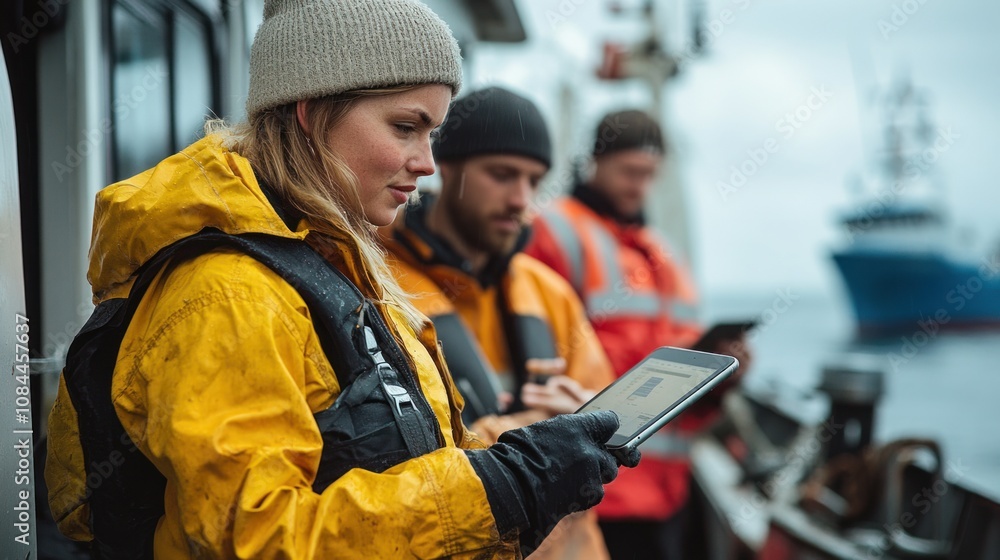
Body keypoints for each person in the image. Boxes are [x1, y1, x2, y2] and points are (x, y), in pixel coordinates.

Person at [44, 2, 638, 558]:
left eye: (432, 132)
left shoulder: (327, 267)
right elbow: (257, 537)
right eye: (406, 126)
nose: (428, 162)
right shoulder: (229, 293)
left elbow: (374, 460)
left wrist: (520, 462)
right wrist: (502, 487)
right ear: (311, 111)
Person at [382, 86, 615, 558]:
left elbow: (611, 431)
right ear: (444, 166)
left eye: (534, 180)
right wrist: (535, 440)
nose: (521, 199)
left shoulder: (550, 293)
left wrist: (594, 419)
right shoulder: (381, 288)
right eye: (502, 175)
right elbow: (389, 464)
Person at [525, 109, 751, 560]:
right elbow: (531, 353)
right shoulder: (554, 231)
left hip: (666, 491)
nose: (639, 185)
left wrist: (720, 374)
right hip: (596, 486)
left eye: (650, 175)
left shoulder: (661, 251)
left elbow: (682, 355)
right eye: (630, 171)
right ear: (595, 161)